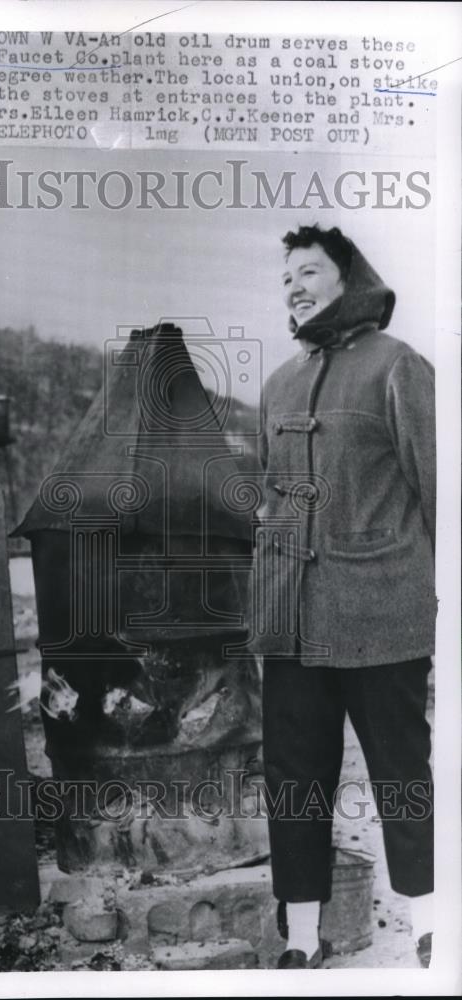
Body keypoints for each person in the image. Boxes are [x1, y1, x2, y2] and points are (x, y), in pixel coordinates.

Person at [251, 225, 435, 969]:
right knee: (293, 783)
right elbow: (271, 498)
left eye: (308, 269)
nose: (293, 284)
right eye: (284, 275)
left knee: (400, 776)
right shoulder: (277, 386)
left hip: (380, 616)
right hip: (292, 623)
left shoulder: (397, 368)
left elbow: (440, 492)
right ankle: (300, 939)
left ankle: (432, 926)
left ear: (346, 276)